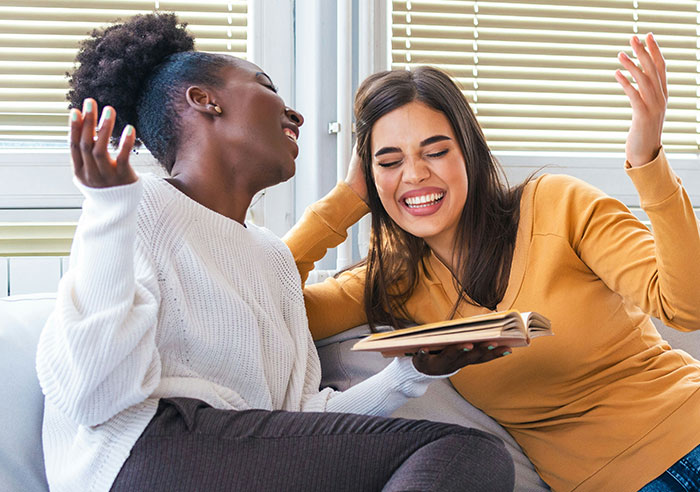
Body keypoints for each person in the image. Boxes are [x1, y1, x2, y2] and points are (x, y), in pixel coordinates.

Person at [35, 13, 517, 492]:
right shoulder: (133, 208)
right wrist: (110, 208)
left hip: (240, 455)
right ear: (206, 101)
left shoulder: (271, 257)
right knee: (465, 455)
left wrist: (408, 374)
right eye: (266, 86)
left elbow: (299, 418)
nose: (296, 115)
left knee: (469, 457)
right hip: (142, 455)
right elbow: (96, 397)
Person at [284, 33, 700, 491]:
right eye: (389, 161)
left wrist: (646, 160)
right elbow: (269, 305)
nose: (415, 173)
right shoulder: (392, 281)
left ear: (470, 152)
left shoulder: (557, 205)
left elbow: (686, 305)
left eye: (436, 151)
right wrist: (344, 203)